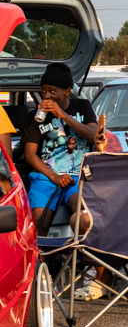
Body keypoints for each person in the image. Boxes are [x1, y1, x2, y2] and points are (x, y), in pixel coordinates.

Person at [23, 63, 97, 236]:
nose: (46, 96)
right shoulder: (35, 117)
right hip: (47, 176)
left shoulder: (82, 107)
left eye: (52, 91)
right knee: (40, 223)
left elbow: (93, 135)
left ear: (67, 91)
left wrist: (62, 115)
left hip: (78, 176)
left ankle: (86, 260)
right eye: (44, 91)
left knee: (84, 216)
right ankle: (42, 260)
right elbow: (30, 154)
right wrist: (53, 176)